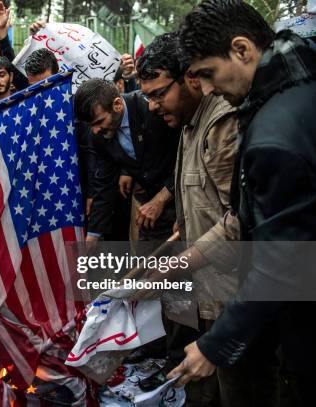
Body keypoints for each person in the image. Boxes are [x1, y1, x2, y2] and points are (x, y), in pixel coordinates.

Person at [170, 2, 316, 405]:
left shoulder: (273, 137)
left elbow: (284, 261)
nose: (209, 90)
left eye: (208, 74)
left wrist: (215, 344)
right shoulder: (300, 79)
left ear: (242, 49)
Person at [74, 79, 179, 243]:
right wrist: (93, 235)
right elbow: (104, 184)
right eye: (90, 125)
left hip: (185, 197)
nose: (95, 131)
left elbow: (186, 155)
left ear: (117, 105)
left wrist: (162, 198)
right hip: (152, 212)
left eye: (99, 122)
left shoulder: (151, 109)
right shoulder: (98, 136)